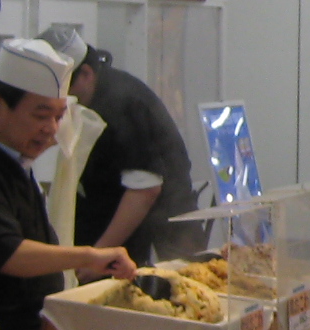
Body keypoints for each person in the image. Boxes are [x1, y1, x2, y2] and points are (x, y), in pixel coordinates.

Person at [0, 39, 137, 330]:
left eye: (58, 116)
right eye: (41, 116)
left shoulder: (15, 163)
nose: (51, 129)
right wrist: (88, 256)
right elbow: (9, 253)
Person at [40, 28, 198, 265]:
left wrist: (98, 256)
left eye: (63, 90)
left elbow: (144, 190)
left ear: (86, 74)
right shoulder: (90, 98)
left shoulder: (124, 102)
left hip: (159, 217)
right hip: (103, 214)